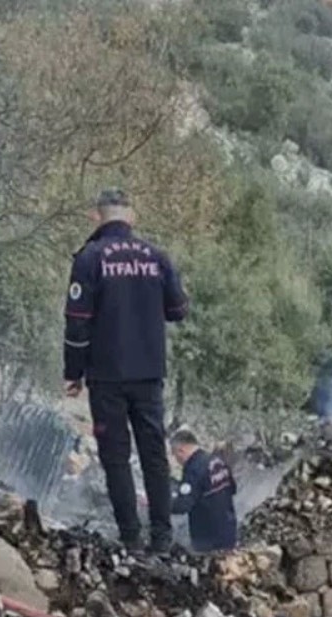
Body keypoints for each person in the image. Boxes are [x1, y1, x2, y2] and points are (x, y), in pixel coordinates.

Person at [63, 188, 189, 552]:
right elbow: (179, 310)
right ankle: (162, 538)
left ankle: (131, 537)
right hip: (149, 374)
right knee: (154, 455)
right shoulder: (157, 257)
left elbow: (76, 322)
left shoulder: (89, 258)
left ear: (96, 217)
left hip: (106, 376)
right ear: (131, 217)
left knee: (115, 457)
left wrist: (73, 372)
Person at [169, 429, 238, 553]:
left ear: (181, 450)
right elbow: (232, 489)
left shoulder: (193, 468)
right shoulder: (218, 461)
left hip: (207, 539)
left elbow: (183, 505)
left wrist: (159, 504)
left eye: (175, 454)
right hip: (229, 532)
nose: (176, 459)